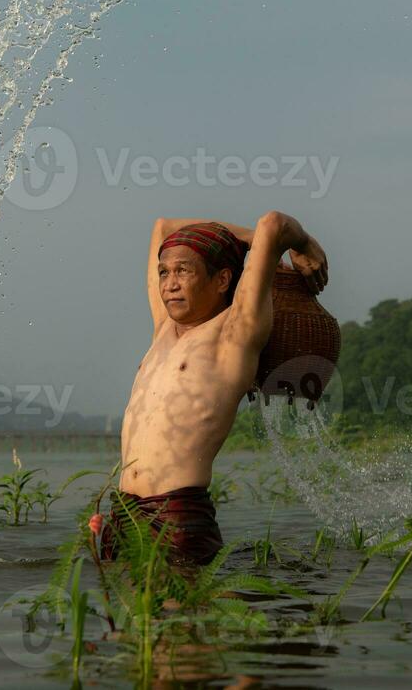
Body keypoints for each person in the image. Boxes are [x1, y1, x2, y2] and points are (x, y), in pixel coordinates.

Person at [96, 212, 327, 568]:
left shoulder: (234, 333)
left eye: (183, 271)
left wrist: (303, 243)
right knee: (124, 622)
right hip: (124, 514)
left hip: (176, 514)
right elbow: (163, 227)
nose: (170, 284)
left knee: (181, 620)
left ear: (222, 280)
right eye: (164, 272)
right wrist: (246, 237)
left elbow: (273, 224)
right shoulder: (163, 330)